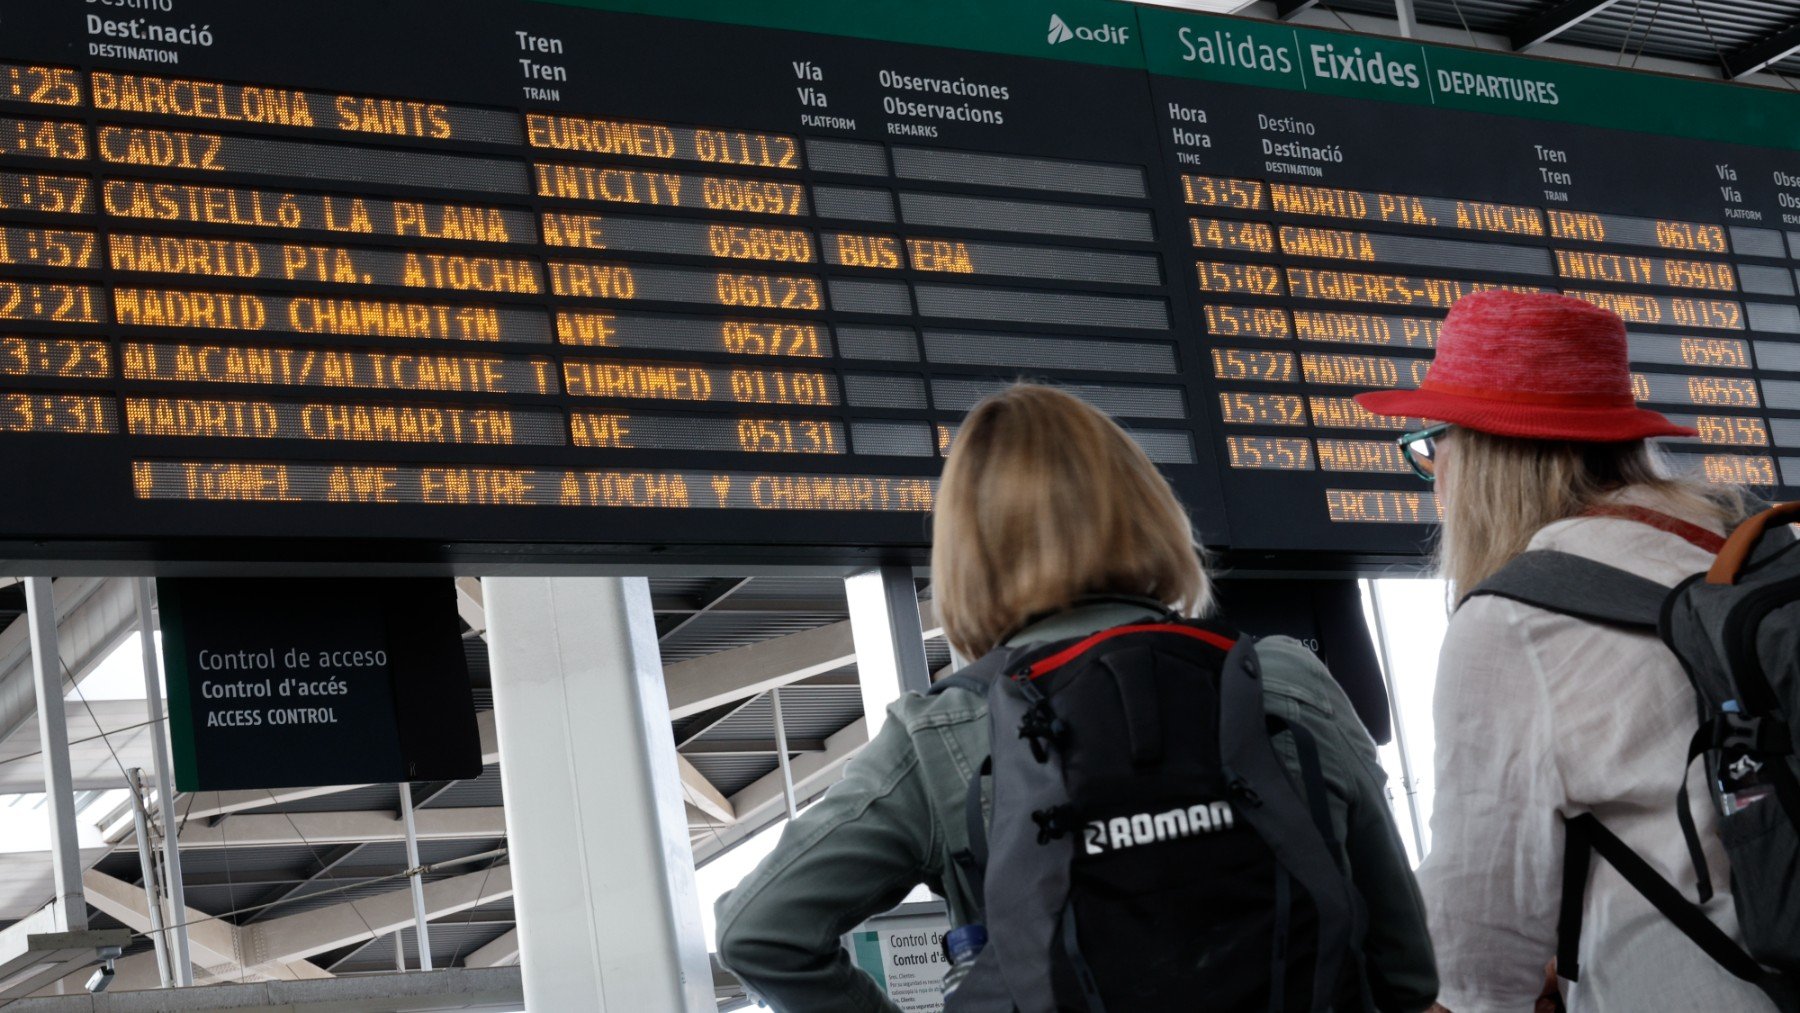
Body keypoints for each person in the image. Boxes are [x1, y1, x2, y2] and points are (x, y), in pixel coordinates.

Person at [715, 383, 1438, 1012]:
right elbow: (1405, 969)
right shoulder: (1283, 680)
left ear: (968, 553)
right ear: (1149, 508)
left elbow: (759, 930)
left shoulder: (943, 739)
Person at [1354, 290, 1775, 1013]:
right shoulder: (1743, 548)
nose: (1435, 482)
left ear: (1479, 458)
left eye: (1432, 446)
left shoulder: (1515, 622)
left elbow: (1477, 958)